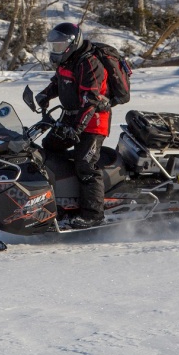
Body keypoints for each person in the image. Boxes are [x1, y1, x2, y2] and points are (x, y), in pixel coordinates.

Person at [35, 22, 110, 229]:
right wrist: (45, 95)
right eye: (54, 46)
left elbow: (91, 100)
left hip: (93, 121)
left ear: (72, 44)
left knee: (86, 165)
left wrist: (77, 128)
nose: (56, 51)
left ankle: (93, 214)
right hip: (70, 118)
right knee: (49, 148)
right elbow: (57, 82)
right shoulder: (66, 62)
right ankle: (65, 199)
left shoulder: (89, 63)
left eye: (59, 46)